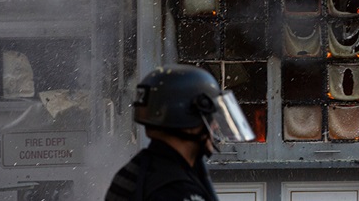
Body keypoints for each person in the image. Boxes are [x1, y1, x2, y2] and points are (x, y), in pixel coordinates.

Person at [105, 64, 255, 201]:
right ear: (186, 121)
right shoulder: (178, 191)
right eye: (209, 118)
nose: (215, 126)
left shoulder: (138, 171)